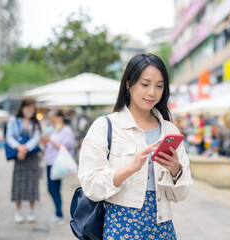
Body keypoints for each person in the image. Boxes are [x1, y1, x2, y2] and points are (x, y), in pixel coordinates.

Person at [78, 53, 193, 239]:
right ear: (128, 84)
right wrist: (131, 168)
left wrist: (175, 170)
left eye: (159, 86)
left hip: (162, 226)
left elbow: (180, 195)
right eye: (145, 84)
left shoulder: (170, 130)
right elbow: (90, 185)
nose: (152, 93)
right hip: (120, 225)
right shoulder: (105, 126)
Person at [5, 98, 41, 223]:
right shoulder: (14, 120)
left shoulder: (35, 122)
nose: (30, 111)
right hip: (19, 156)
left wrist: (25, 148)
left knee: (32, 184)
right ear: (22, 107)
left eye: (32, 108)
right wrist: (18, 147)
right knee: (18, 184)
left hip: (31, 156)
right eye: (28, 108)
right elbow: (9, 136)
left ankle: (32, 211)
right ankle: (18, 211)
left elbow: (36, 138)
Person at [41, 110, 75, 225]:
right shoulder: (56, 131)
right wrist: (45, 142)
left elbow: (65, 147)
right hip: (50, 162)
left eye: (53, 120)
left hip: (57, 164)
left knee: (54, 189)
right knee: (51, 189)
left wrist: (50, 140)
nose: (52, 123)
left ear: (60, 118)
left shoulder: (67, 131)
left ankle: (59, 214)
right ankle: (57, 212)